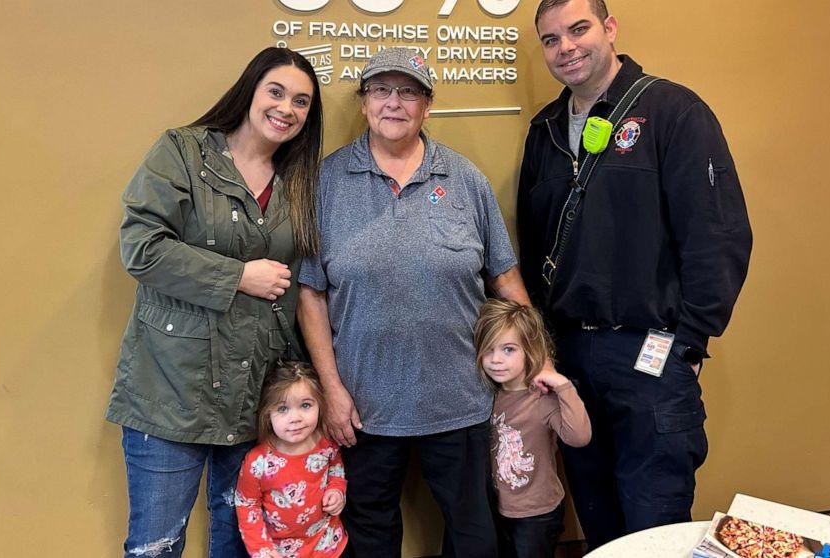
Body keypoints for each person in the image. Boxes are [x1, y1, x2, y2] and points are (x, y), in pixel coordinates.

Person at [517, 0, 753, 549]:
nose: (566, 48)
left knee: (655, 528)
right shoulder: (545, 130)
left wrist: (690, 343)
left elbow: (718, 236)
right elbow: (532, 244)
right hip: (569, 356)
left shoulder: (674, 112)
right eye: (551, 40)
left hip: (652, 353)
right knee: (598, 521)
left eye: (579, 30)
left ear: (610, 28)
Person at [298, 47, 539, 558]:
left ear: (427, 105)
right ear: (363, 103)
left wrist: (538, 363)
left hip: (461, 401)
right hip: (364, 408)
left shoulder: (465, 180)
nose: (394, 103)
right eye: (381, 90)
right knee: (369, 533)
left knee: (476, 535)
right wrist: (331, 389)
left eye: (408, 91)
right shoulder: (326, 183)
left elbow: (504, 276)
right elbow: (311, 294)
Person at [105, 47, 323, 558]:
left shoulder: (299, 185)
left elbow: (301, 290)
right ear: (249, 91)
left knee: (244, 542)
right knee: (156, 546)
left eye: (301, 102)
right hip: (170, 391)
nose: (286, 109)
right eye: (276, 92)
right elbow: (142, 248)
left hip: (254, 396)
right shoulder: (183, 151)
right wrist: (238, 276)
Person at [474, 299, 592, 558]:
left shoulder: (542, 399)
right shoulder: (488, 397)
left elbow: (579, 437)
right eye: (488, 350)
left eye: (508, 349)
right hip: (500, 507)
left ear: (529, 350)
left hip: (538, 513)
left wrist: (563, 386)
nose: (496, 360)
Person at [235, 362, 347, 558]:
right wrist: (262, 549)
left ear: (320, 404)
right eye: (283, 409)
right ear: (268, 414)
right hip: (279, 552)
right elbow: (247, 505)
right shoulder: (257, 462)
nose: (295, 418)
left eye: (305, 405)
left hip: (328, 544)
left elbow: (336, 468)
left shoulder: (326, 444)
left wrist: (337, 490)